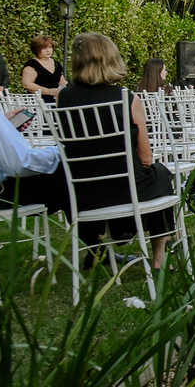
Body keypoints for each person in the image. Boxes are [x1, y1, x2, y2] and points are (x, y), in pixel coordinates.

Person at [57, 33, 175, 270]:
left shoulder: (63, 97)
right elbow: (145, 158)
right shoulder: (127, 99)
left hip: (84, 191)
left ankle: (99, 247)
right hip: (126, 189)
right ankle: (159, 256)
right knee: (160, 173)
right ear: (111, 59)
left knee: (153, 175)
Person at [0, 33, 67, 214]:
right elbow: (19, 164)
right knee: (72, 171)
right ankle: (103, 226)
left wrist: (1, 126)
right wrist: (63, 151)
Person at [21, 35, 66, 103]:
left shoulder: (56, 63)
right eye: (44, 48)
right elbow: (26, 84)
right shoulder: (32, 65)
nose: (48, 50)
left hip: (55, 101)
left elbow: (61, 81)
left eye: (50, 47)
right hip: (38, 102)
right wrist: (49, 91)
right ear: (36, 49)